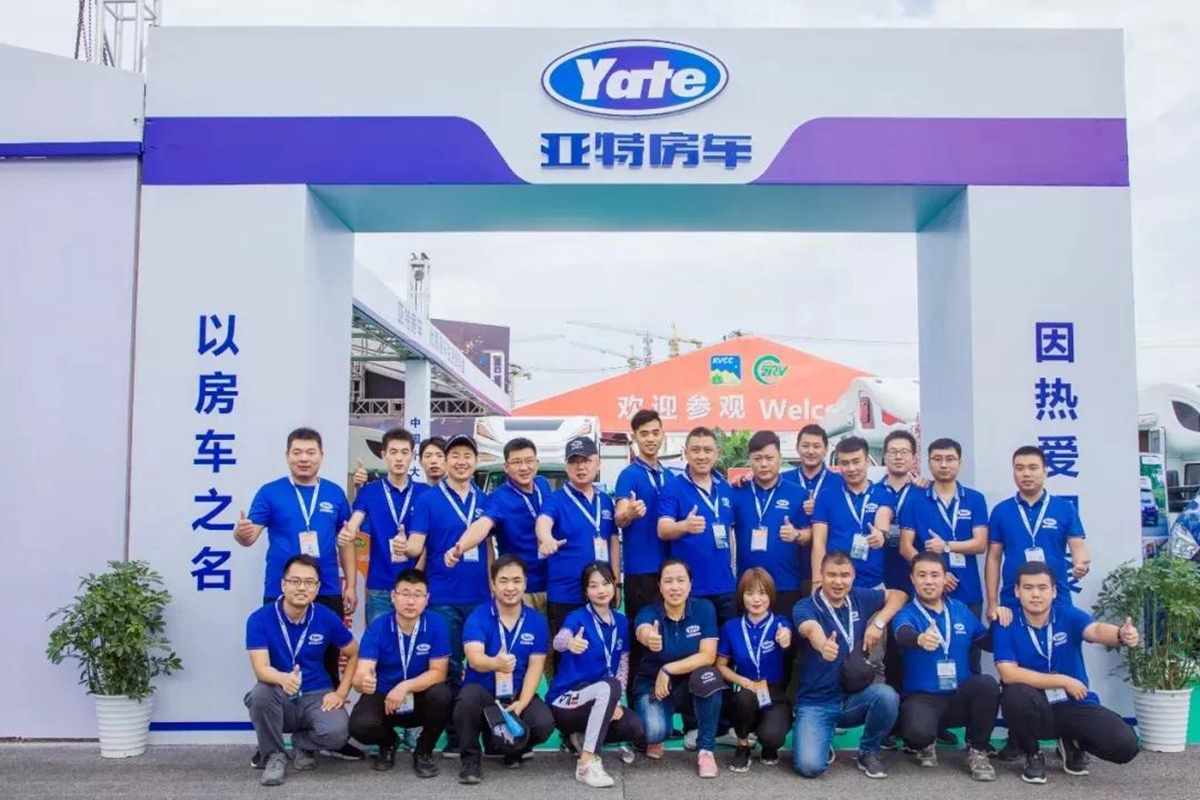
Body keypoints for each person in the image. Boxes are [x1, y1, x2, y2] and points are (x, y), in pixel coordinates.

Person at [235, 427, 362, 761]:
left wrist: (350, 584)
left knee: (329, 660)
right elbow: (249, 537)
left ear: (321, 455)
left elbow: (346, 542)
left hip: (326, 588)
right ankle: (269, 744)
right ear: (287, 456)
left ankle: (327, 734)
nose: (304, 458)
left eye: (310, 452)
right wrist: (241, 533)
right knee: (277, 664)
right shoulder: (270, 492)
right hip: (283, 588)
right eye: (297, 452)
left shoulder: (334, 493)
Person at [993, 562, 1140, 784]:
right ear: (1017, 591)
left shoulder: (1067, 614)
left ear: (1054, 591)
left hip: (1072, 701)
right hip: (1034, 706)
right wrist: (1062, 680)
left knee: (1125, 744)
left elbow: (1095, 630)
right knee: (1014, 695)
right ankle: (1033, 754)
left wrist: (1120, 634)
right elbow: (1008, 674)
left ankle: (1073, 741)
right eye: (1028, 587)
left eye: (1042, 588)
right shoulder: (1006, 621)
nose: (1035, 594)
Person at [405, 433, 489, 752]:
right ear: (445, 460)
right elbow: (416, 544)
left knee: (480, 667)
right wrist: (405, 547)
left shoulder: (486, 500)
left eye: (467, 455)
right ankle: (456, 735)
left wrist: (493, 587)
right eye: (455, 455)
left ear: (476, 461)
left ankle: (485, 732)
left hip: (480, 597)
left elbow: (491, 550)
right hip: (442, 597)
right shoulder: (428, 500)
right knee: (450, 666)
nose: (461, 461)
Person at [244, 555, 359, 786]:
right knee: (260, 695)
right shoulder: (259, 619)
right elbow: (261, 669)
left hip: (317, 693)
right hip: (279, 693)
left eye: (309, 582)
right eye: (295, 581)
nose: (301, 587)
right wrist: (282, 678)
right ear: (283, 584)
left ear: (317, 588)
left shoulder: (326, 617)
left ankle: (302, 743)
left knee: (337, 733)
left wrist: (341, 692)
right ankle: (274, 755)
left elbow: (354, 653)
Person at [791, 551, 907, 780]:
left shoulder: (859, 597)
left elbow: (899, 595)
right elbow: (809, 628)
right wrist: (822, 644)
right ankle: (821, 737)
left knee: (887, 696)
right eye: (831, 575)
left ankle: (868, 751)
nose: (838, 581)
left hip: (852, 699)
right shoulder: (805, 606)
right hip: (817, 702)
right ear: (821, 576)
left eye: (845, 575)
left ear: (853, 576)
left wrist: (879, 623)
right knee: (810, 767)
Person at [892, 553, 999, 781]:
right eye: (922, 575)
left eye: (934, 575)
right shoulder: (906, 613)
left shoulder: (960, 610)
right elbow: (902, 634)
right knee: (917, 733)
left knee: (987, 685)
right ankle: (926, 742)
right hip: (924, 697)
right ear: (912, 579)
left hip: (959, 695)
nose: (928, 581)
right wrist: (920, 639)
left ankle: (977, 750)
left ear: (944, 578)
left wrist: (997, 623)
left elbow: (987, 643)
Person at [454, 555, 555, 784]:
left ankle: (511, 749)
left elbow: (535, 667)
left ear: (525, 583)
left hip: (515, 695)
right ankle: (470, 761)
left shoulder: (536, 621)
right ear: (492, 583)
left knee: (543, 722)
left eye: (517, 581)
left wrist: (523, 702)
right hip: (484, 696)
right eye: (503, 581)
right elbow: (474, 659)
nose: (510, 587)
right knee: (467, 698)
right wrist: (495, 663)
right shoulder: (479, 616)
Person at [548, 562, 645, 788]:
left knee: (634, 726)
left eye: (605, 583)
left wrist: (615, 702)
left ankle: (580, 738)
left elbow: (623, 664)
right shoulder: (576, 617)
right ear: (585, 591)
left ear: (614, 586)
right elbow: (558, 640)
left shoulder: (621, 622)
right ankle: (586, 762)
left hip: (603, 696)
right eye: (593, 586)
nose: (601, 590)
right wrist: (569, 643)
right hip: (566, 700)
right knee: (609, 686)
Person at [349, 569, 453, 777]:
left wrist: (405, 686)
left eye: (417, 595)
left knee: (443, 695)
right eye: (405, 593)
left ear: (427, 599)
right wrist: (362, 682)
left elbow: (438, 673)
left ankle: (423, 751)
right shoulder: (378, 627)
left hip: (420, 697)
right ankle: (388, 743)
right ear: (393, 596)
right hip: (385, 697)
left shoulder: (437, 625)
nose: (411, 601)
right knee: (360, 726)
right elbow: (361, 674)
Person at [899, 438, 989, 674]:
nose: (944, 464)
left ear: (960, 462)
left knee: (971, 655)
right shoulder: (914, 499)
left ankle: (970, 695)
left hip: (967, 589)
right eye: (937, 459)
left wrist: (947, 546)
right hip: (927, 591)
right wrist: (936, 575)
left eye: (950, 459)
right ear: (928, 462)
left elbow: (980, 544)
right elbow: (906, 547)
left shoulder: (975, 499)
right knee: (926, 653)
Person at [632, 559, 727, 778]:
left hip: (688, 684)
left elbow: (708, 656)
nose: (675, 587)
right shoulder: (649, 612)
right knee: (655, 732)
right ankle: (657, 733)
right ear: (659, 585)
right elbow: (642, 629)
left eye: (681, 580)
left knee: (710, 677)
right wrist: (649, 637)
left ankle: (706, 751)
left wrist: (668, 669)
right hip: (653, 686)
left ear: (690, 584)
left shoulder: (704, 609)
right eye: (668, 581)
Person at [986, 446, 1092, 625]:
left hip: (1056, 595)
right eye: (1019, 468)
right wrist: (992, 603)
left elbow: (1078, 547)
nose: (1026, 474)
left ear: (1045, 471)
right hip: (1013, 597)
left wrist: (1081, 564)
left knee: (1061, 641)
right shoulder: (1001, 511)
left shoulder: (1065, 508)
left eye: (1033, 468)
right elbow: (993, 558)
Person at [449, 437, 553, 613]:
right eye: (516, 462)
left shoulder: (543, 485)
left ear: (537, 463)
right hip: (521, 588)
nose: (524, 468)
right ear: (506, 467)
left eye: (529, 461)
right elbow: (483, 524)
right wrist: (460, 547)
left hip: (553, 583)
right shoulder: (498, 498)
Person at [536, 436, 620, 652]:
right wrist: (546, 539)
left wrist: (616, 583)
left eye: (586, 460)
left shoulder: (605, 501)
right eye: (574, 461)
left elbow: (613, 541)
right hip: (566, 594)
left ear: (598, 463)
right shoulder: (555, 499)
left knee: (601, 651)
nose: (580, 467)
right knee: (566, 652)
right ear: (566, 466)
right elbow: (543, 522)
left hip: (600, 592)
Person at [340, 427, 428, 625]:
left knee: (416, 640)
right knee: (380, 640)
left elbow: (431, 538)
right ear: (383, 455)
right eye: (393, 452)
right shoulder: (370, 492)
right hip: (380, 586)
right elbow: (356, 520)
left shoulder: (425, 493)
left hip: (416, 585)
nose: (399, 458)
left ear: (412, 456)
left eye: (404, 452)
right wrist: (349, 532)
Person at [614, 409, 673, 701]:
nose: (650, 439)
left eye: (655, 432)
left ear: (663, 435)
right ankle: (638, 710)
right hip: (641, 572)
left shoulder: (670, 475)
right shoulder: (629, 475)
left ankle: (663, 703)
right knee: (641, 640)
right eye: (644, 434)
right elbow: (619, 516)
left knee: (667, 639)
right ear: (634, 437)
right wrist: (630, 513)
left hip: (670, 573)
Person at [657, 426, 738, 626]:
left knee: (726, 642)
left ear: (717, 453)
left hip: (725, 585)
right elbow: (663, 529)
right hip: (691, 588)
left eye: (707, 450)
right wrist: (684, 526)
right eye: (695, 450)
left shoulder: (726, 488)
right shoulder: (673, 487)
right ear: (686, 453)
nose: (702, 456)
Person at [716, 568, 793, 772]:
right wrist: (743, 682)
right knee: (743, 700)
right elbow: (720, 666)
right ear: (742, 596)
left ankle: (768, 744)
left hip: (774, 692)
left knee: (773, 736)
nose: (756, 599)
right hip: (746, 690)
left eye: (762, 593)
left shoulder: (779, 623)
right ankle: (743, 745)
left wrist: (785, 635)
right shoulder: (731, 627)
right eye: (749, 593)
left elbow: (786, 631)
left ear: (771, 595)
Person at [731, 431, 812, 615]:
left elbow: (811, 533)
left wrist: (797, 534)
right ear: (750, 460)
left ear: (780, 458)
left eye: (769, 458)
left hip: (785, 583)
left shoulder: (798, 493)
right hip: (748, 586)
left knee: (785, 632)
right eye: (757, 458)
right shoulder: (737, 492)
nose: (764, 464)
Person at [810, 436, 894, 594]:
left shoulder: (883, 494)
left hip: (872, 584)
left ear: (867, 462)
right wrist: (817, 582)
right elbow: (819, 541)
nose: (851, 468)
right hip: (835, 583)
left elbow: (884, 514)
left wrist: (881, 533)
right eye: (845, 463)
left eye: (856, 461)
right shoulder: (826, 496)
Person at [780, 424, 842, 521]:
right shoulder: (782, 480)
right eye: (805, 446)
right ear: (797, 448)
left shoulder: (839, 482)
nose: (810, 451)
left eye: (816, 446)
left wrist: (821, 508)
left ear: (826, 449)